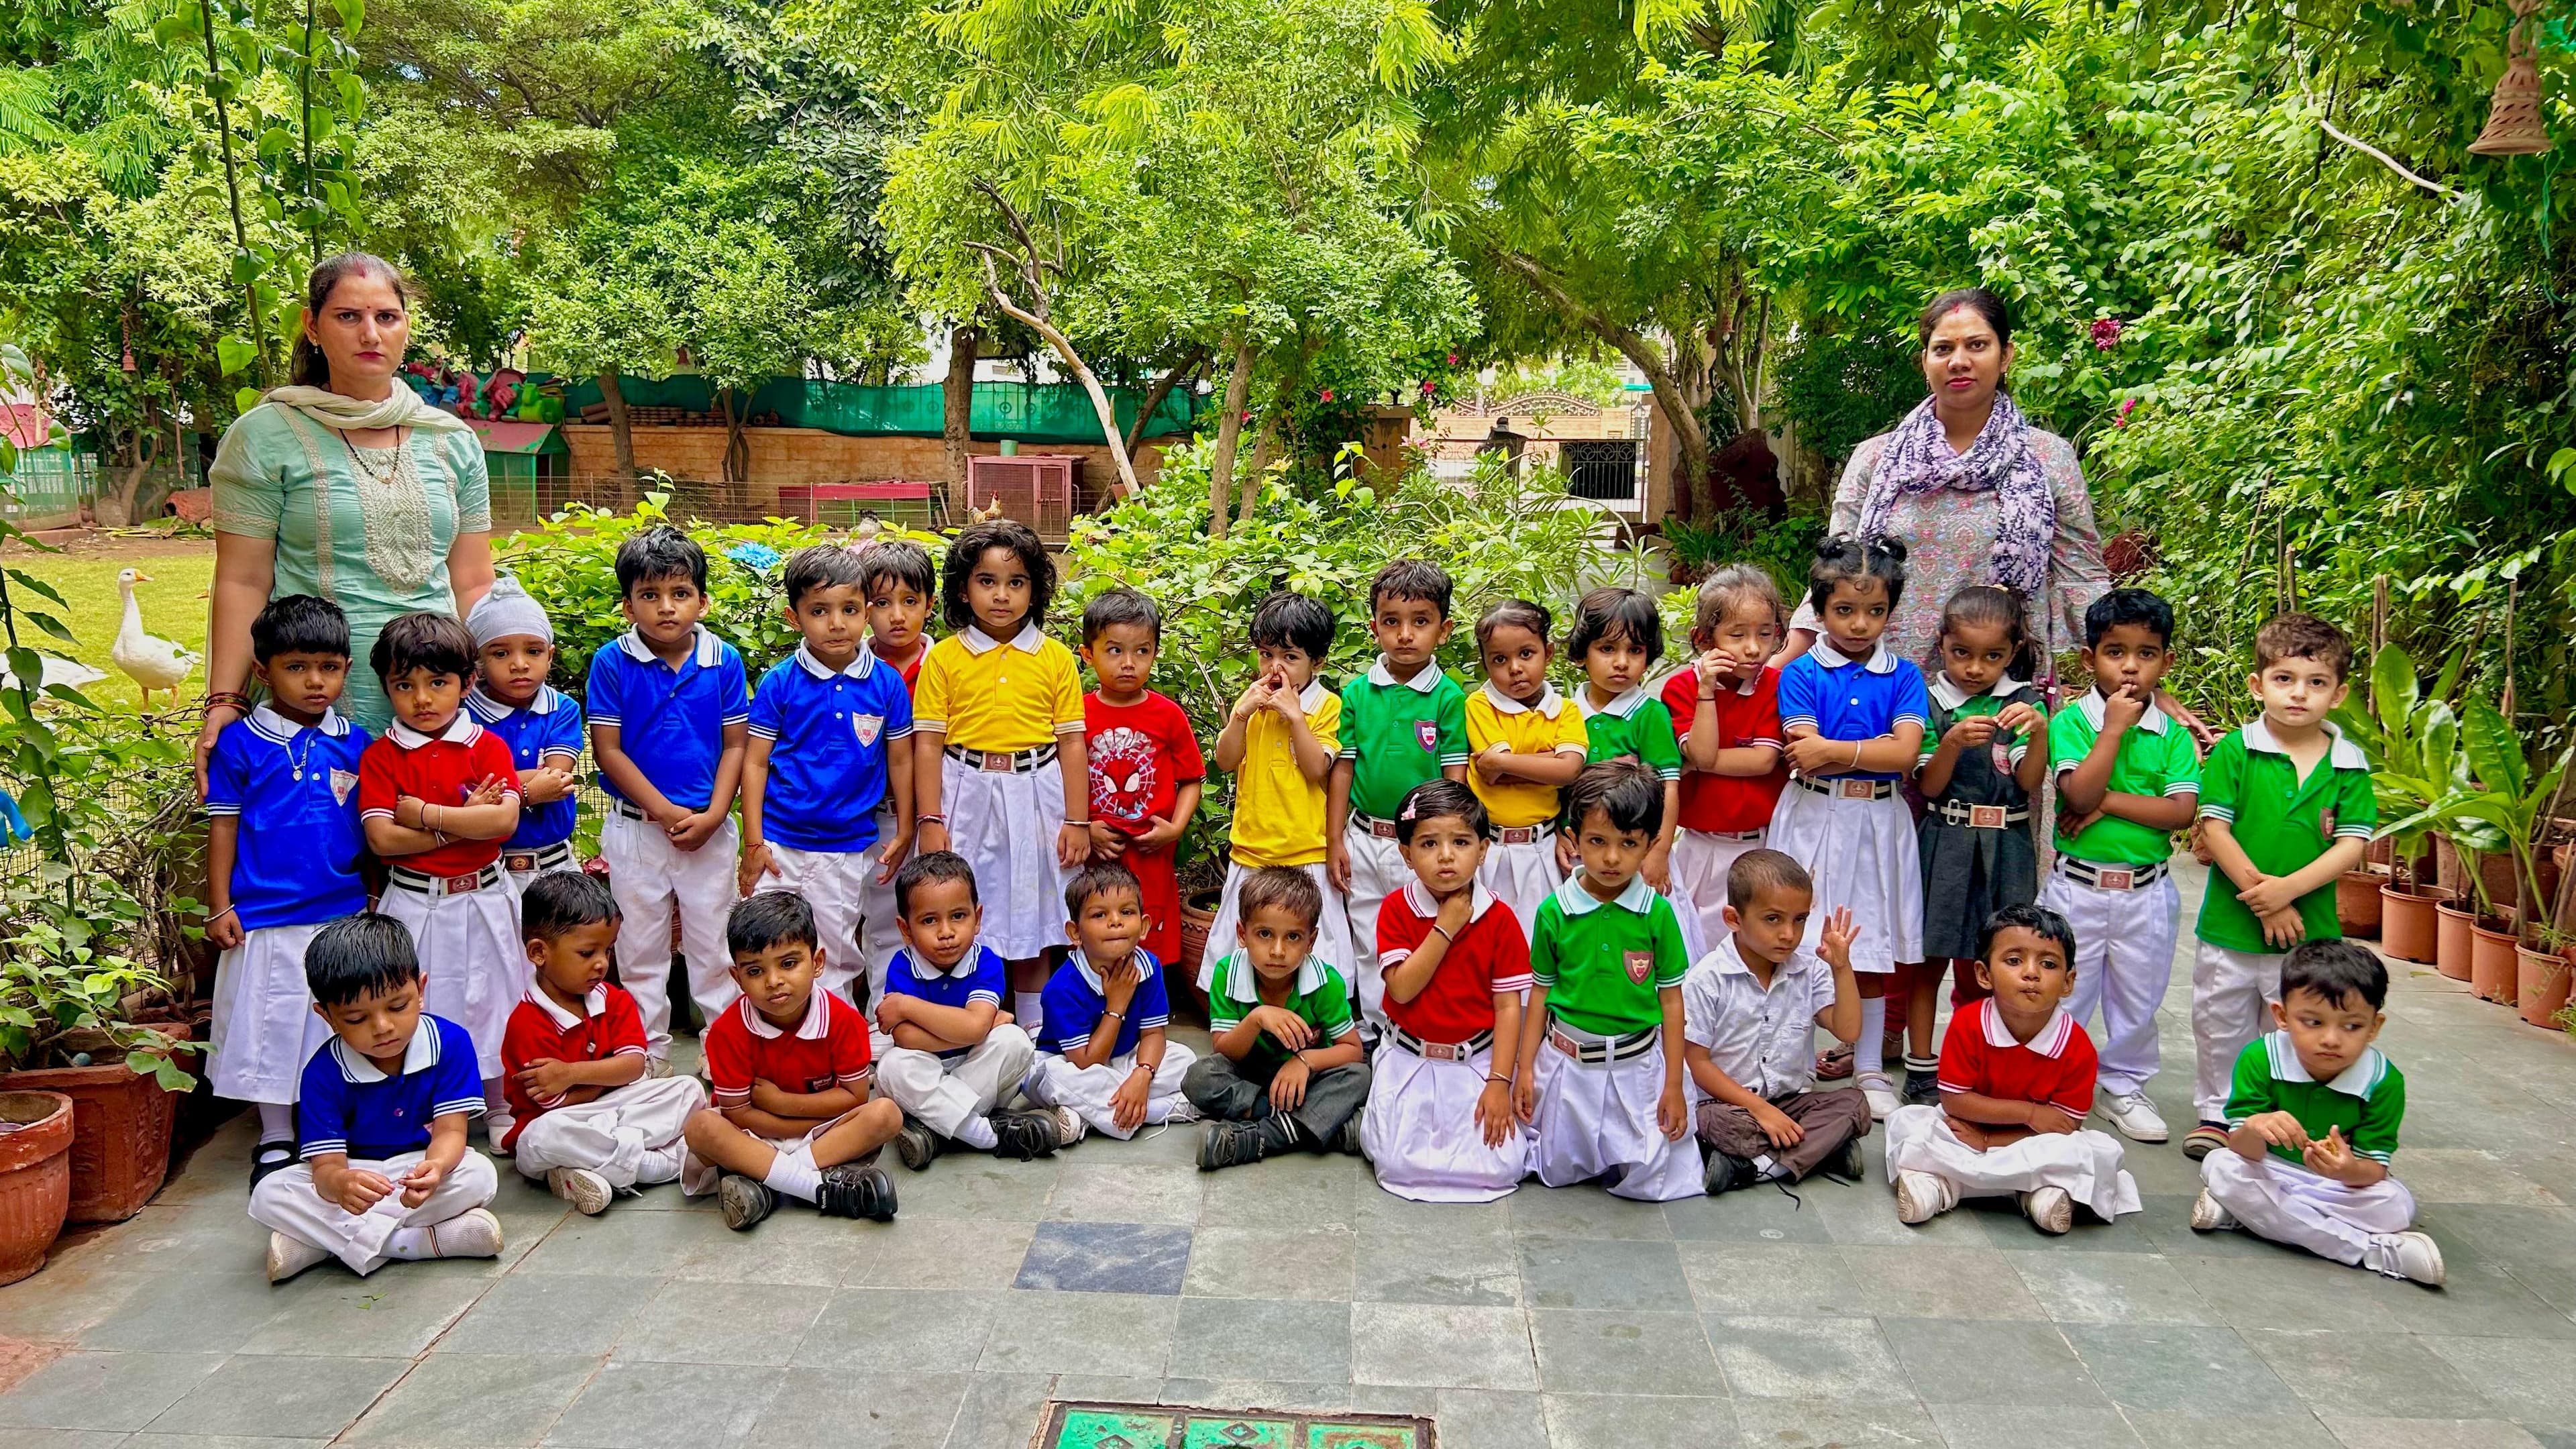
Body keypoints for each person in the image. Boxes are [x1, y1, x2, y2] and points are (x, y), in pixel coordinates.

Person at [201, 252, 494, 755]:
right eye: (348, 317)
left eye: (386, 317)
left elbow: (472, 581)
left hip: (438, 710)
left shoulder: (452, 440)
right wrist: (225, 698)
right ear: (312, 327)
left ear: (406, 327)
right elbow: (243, 581)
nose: (370, 334)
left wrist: (492, 694)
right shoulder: (265, 436)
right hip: (310, 710)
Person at [1780, 286, 2109, 670]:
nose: (1959, 361)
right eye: (1943, 349)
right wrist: (1776, 668)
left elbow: (2082, 577)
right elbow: (1837, 570)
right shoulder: (1876, 459)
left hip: (1998, 691)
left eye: (1977, 345)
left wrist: (2133, 675)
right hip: (1883, 686)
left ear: (2006, 356)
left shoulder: (2047, 458)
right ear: (1925, 362)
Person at [2184, 613, 2375, 1159]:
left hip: (2309, 932)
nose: (2299, 694)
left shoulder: (2348, 766)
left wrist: (2287, 891)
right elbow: (2215, 828)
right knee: (2219, 1020)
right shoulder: (2236, 752)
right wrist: (2264, 901)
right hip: (2229, 922)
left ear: (2338, 695)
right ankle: (2221, 1115)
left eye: (2316, 683)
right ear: (2258, 684)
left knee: (2298, 1023)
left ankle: (2289, 1116)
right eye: (2284, 679)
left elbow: (2351, 845)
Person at [204, 594, 373, 1187]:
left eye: (328, 667)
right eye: (296, 668)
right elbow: (223, 823)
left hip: (340, 911)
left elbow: (370, 829)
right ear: (263, 672)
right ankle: (276, 1136)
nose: (314, 682)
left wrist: (374, 899)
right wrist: (220, 904)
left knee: (336, 1026)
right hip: (265, 916)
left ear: (346, 670)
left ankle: (335, 1130)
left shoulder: (358, 741)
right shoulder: (240, 744)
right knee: (268, 1029)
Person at [1766, 535, 1930, 1120]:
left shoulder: (1906, 675)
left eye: (1876, 611)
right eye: (1844, 610)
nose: (1861, 624)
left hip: (1879, 821)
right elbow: (1802, 755)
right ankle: (1792, 1061)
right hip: (1812, 814)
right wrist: (1874, 747)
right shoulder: (1802, 673)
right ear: (1819, 609)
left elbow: (1906, 756)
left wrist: (1838, 749)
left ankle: (1866, 1068)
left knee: (1869, 941)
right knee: (1796, 937)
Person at [250, 914, 502, 1282]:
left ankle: (321, 1243)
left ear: (421, 988)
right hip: (355, 1173)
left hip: (416, 1171)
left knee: (479, 1174)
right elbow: (325, 1167)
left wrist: (435, 1170)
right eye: (356, 1018)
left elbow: (451, 1133)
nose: (382, 1027)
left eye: (398, 1007)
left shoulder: (450, 1043)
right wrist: (340, 1184)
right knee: (268, 1193)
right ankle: (419, 1243)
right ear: (327, 1016)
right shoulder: (323, 1072)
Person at [912, 519, 1093, 1028]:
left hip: (1038, 791)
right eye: (987, 581)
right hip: (964, 789)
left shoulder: (1054, 658)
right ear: (964, 590)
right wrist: (930, 818)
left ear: (1035, 589)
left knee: (1033, 912)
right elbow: (927, 742)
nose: (1002, 595)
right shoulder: (944, 659)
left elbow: (1072, 742)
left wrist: (1076, 821)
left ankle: (1034, 1029)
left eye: (1016, 582)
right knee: (963, 906)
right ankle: (966, 1023)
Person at [355, 611, 525, 1139]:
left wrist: (427, 816)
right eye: (404, 685)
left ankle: (500, 1106)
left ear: (467, 683)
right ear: (386, 687)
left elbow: (502, 821)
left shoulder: (486, 745)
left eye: (438, 683)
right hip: (414, 903)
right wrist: (460, 825)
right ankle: (434, 1111)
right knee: (425, 1004)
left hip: (485, 895)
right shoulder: (381, 756)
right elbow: (383, 839)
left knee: (497, 997)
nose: (422, 699)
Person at [2039, 587, 2199, 1146]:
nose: (2131, 666)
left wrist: (2104, 802)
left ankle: (2124, 1086)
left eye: (2147, 653)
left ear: (2166, 661)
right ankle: (2056, 1082)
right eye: (2115, 651)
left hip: (2146, 893)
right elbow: (2076, 795)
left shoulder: (2172, 734)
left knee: (2138, 997)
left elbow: (2178, 813)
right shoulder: (2071, 724)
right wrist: (2111, 731)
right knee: (2064, 991)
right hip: (2077, 889)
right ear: (2090, 658)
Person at [586, 526, 751, 1061]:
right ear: (628, 605)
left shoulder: (723, 660)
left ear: (702, 601)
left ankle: (722, 1050)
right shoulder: (612, 662)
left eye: (680, 594)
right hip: (637, 830)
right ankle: (646, 1053)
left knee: (714, 944)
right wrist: (663, 812)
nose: (666, 608)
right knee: (639, 949)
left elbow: (735, 746)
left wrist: (714, 815)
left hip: (710, 831)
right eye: (649, 595)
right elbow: (608, 750)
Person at [2193, 941, 2442, 1285]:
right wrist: (2258, 1125)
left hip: (2333, 1186)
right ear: (2281, 1016)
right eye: (2313, 1022)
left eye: (2352, 1026)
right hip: (2268, 1169)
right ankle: (2372, 1252)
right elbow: (2242, 1148)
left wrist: (2348, 1169)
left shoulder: (2383, 1081)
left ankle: (2251, 1216)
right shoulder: (2260, 1057)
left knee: (2396, 1204)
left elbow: (2374, 1168)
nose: (2331, 1039)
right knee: (2221, 1166)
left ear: (2375, 1026)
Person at [1884, 904, 2142, 1234]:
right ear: (1983, 975)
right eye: (2014, 960)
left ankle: (2038, 1196)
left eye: (2048, 964)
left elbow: (2064, 1125)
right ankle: (1942, 1190)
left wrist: (1993, 1139)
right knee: (1907, 1123)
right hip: (1965, 1131)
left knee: (2090, 1150)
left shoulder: (2077, 1047)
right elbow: (1955, 1102)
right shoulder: (1968, 1025)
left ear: (2068, 982)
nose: (2031, 973)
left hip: (2030, 1141)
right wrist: (2027, 1115)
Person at [1512, 761, 1698, 1203]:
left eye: (1628, 843)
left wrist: (1673, 1083)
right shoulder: (1554, 912)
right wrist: (1523, 1068)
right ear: (1574, 840)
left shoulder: (1658, 913)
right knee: (1551, 1171)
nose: (1612, 858)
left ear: (1653, 844)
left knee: (1655, 1181)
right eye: (1597, 841)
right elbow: (1540, 991)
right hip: (1566, 1066)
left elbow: (1672, 1002)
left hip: (1637, 1069)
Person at [740, 544, 916, 1005]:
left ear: (866, 611)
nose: (837, 623)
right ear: (794, 617)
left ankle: (831, 1047)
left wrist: (908, 826)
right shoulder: (780, 682)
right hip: (780, 843)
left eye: (850, 609)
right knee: (769, 946)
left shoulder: (886, 684)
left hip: (846, 847)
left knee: (835, 954)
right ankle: (769, 1040)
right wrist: (754, 842)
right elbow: (755, 761)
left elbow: (900, 759)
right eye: (820, 611)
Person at [1906, 584, 2049, 1105]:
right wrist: (1948, 744)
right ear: (1942, 645)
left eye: (1992, 657)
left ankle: (1973, 1065)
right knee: (1929, 960)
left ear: (2011, 654)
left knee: (1989, 964)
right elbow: (1929, 786)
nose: (1974, 668)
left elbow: (2031, 783)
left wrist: (2040, 733)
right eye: (1961, 653)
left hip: (2007, 845)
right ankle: (1921, 1066)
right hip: (1945, 838)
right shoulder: (1929, 699)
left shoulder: (2025, 702)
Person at [682, 892, 902, 1230]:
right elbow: (738, 1114)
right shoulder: (726, 1032)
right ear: (737, 977)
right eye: (755, 970)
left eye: (788, 963)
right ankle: (816, 1188)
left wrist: (780, 1102)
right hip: (753, 1137)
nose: (773, 981)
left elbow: (855, 1098)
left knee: (886, 1114)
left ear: (817, 963)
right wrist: (800, 1120)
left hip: (822, 1134)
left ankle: (768, 1185)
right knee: (700, 1128)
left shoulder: (844, 1021)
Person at [1362, 780, 1532, 1203]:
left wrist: (1499, 1082)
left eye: (1461, 841)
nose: (1446, 856)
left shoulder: (1500, 919)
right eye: (1428, 844)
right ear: (1406, 854)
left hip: (1475, 1061)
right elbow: (1401, 989)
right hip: (1410, 1057)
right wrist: (1446, 926)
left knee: (1501, 1167)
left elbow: (1509, 1007)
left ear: (1483, 848)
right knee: (1397, 1164)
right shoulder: (1397, 909)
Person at [500, 873, 706, 1214]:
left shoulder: (614, 1000)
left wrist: (571, 1073)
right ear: (538, 952)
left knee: (688, 1090)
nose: (601, 963)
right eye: (587, 952)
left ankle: (590, 1170)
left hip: (613, 1110)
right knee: (541, 1139)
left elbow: (634, 1066)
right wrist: (608, 1079)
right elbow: (555, 1106)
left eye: (607, 950)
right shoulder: (526, 1022)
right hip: (563, 1122)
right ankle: (659, 1165)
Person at [1328, 560, 1470, 1038]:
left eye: (1421, 622)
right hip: (1365, 837)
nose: (1405, 634)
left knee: (1427, 929)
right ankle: (1375, 1030)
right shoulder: (1357, 694)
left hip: (1424, 841)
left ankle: (1418, 1024)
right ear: (1374, 628)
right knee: (1368, 937)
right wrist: (1334, 840)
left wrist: (1456, 836)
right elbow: (1344, 767)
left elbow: (1455, 772)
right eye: (1392, 622)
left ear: (1444, 630)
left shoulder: (1448, 697)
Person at [1684, 850, 1871, 1195]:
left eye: (1799, 920)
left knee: (1855, 1104)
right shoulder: (1707, 979)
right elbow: (1696, 1064)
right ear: (1733, 918)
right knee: (1707, 1121)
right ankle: (1820, 1151)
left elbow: (1848, 1031)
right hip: (1729, 1105)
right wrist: (1757, 1109)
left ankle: (1753, 1167)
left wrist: (1842, 967)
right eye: (1773, 919)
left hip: (1791, 1103)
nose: (1789, 933)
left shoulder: (1809, 970)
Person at [1203, 592, 1355, 989]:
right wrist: (1240, 715)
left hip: (1306, 855)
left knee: (1310, 964)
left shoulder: (1328, 707)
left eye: (1290, 658)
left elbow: (1316, 767)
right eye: (1267, 654)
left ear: (1317, 662)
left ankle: (1315, 1030)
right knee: (1243, 961)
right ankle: (1242, 1026)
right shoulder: (1252, 703)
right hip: (1252, 851)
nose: (1276, 668)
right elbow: (1225, 760)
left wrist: (1295, 717)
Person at [875, 851, 1064, 1169]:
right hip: (927, 1067)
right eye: (929, 920)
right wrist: (974, 1029)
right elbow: (906, 1039)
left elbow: (975, 1029)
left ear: (977, 918)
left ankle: (934, 1129)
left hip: (979, 1069)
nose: (946, 931)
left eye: (958, 916)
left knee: (1014, 1041)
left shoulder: (985, 962)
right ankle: (985, 1134)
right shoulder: (903, 966)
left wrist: (908, 1006)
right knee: (893, 1067)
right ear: (905, 929)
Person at [1189, 867, 1371, 1170]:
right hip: (1252, 1077)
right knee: (1200, 1078)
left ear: (1310, 942)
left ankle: (1258, 1138)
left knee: (1359, 1076)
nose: (1277, 950)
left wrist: (1304, 1061)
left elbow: (1352, 1050)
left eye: (1293, 937)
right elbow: (1224, 1050)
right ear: (1242, 934)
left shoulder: (1326, 983)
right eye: (1264, 934)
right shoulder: (1226, 974)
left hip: (1306, 1080)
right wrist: (1257, 1018)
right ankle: (1326, 1129)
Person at [1662, 565, 1789, 949]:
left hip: (1760, 844)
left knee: (1752, 950)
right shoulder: (1682, 687)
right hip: (1699, 847)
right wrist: (1706, 692)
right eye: (1737, 635)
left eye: (1765, 634)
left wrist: (1701, 762)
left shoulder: (1777, 686)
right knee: (1690, 949)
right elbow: (1701, 750)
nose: (1753, 648)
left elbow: (1763, 761)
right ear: (1704, 639)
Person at [1079, 588, 1205, 970]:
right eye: (1115, 650)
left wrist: (1175, 829)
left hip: (1151, 851)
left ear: (1154, 652)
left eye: (1142, 651)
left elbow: (1192, 779)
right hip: (1098, 854)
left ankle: (1149, 1016)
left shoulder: (1167, 715)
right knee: (1097, 927)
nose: (1128, 663)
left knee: (1150, 930)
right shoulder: (1076, 714)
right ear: (1088, 654)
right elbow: (1058, 782)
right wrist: (1085, 828)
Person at [1026, 863, 1199, 1139]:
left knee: (1185, 1059)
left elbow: (1153, 1034)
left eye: (1126, 912)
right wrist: (1116, 1005)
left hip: (1124, 1059)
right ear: (1075, 933)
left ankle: (1087, 1117)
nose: (1115, 921)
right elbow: (1087, 1063)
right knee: (1060, 1078)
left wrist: (1142, 1075)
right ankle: (1161, 1109)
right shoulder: (1063, 988)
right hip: (1072, 1063)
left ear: (1143, 927)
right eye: (1099, 914)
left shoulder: (1148, 966)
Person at [1465, 599, 1589, 938]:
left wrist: (1503, 763)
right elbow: (1492, 774)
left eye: (1526, 654)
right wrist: (1549, 762)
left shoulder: (1566, 711)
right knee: (1485, 943)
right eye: (1500, 660)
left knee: (1541, 943)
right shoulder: (1480, 705)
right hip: (1488, 850)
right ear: (1486, 664)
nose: (1515, 668)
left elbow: (1570, 771)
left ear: (1548, 653)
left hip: (1543, 849)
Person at [854, 537, 938, 1003]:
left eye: (910, 601)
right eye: (882, 603)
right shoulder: (851, 665)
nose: (897, 616)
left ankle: (928, 1009)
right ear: (863, 607)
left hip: (931, 815)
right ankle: (876, 1015)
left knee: (928, 911)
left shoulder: (945, 665)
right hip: (867, 816)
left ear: (930, 603)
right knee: (875, 916)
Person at [462, 576, 584, 885]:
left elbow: (556, 780)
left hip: (556, 862)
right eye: (500, 654)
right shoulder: (463, 715)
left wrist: (497, 792)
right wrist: (529, 792)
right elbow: (463, 791)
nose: (519, 664)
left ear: (550, 655)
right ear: (478, 662)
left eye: (533, 651)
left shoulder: (562, 709)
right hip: (488, 868)